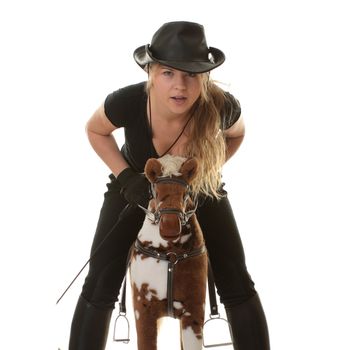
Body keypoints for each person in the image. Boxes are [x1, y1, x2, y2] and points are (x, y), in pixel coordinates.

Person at [68, 21, 270, 350]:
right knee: (100, 278)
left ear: (204, 77)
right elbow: (95, 130)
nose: (180, 86)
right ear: (150, 72)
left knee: (235, 275)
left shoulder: (221, 105)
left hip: (198, 189)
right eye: (168, 73)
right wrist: (125, 177)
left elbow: (237, 134)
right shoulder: (128, 101)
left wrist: (208, 170)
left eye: (191, 74)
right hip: (135, 186)